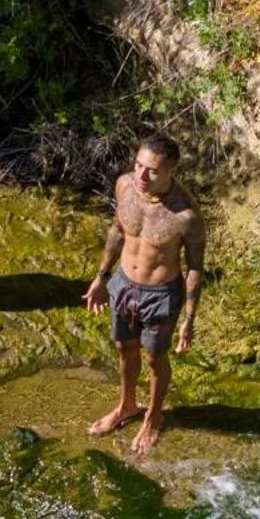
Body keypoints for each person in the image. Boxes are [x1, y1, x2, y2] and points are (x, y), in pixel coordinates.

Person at [83, 133, 204, 454]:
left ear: (171, 171)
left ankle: (153, 417)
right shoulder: (125, 186)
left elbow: (195, 268)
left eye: (151, 170)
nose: (141, 175)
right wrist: (101, 278)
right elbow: (117, 231)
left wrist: (189, 319)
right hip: (123, 284)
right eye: (138, 165)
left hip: (160, 295)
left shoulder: (186, 215)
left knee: (154, 357)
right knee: (124, 347)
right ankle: (126, 405)